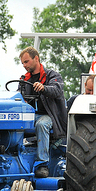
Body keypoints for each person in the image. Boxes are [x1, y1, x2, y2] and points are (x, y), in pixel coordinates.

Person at [18, 46, 67, 178]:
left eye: (26, 62)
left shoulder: (53, 75)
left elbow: (56, 90)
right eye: (22, 63)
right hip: (31, 115)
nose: (24, 65)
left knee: (41, 124)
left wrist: (44, 88)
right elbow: (19, 97)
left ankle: (42, 164)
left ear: (36, 59)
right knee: (14, 121)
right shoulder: (24, 79)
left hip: (50, 115)